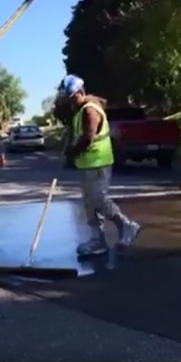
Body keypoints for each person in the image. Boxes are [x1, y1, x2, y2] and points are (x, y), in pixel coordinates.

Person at [60, 74, 141, 257]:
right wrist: (69, 151)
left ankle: (126, 225)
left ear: (81, 92)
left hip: (98, 162)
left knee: (99, 199)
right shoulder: (79, 110)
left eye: (72, 97)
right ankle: (98, 240)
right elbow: (75, 136)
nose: (70, 101)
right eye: (68, 98)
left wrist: (72, 153)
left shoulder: (90, 111)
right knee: (89, 204)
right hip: (86, 164)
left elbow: (88, 138)